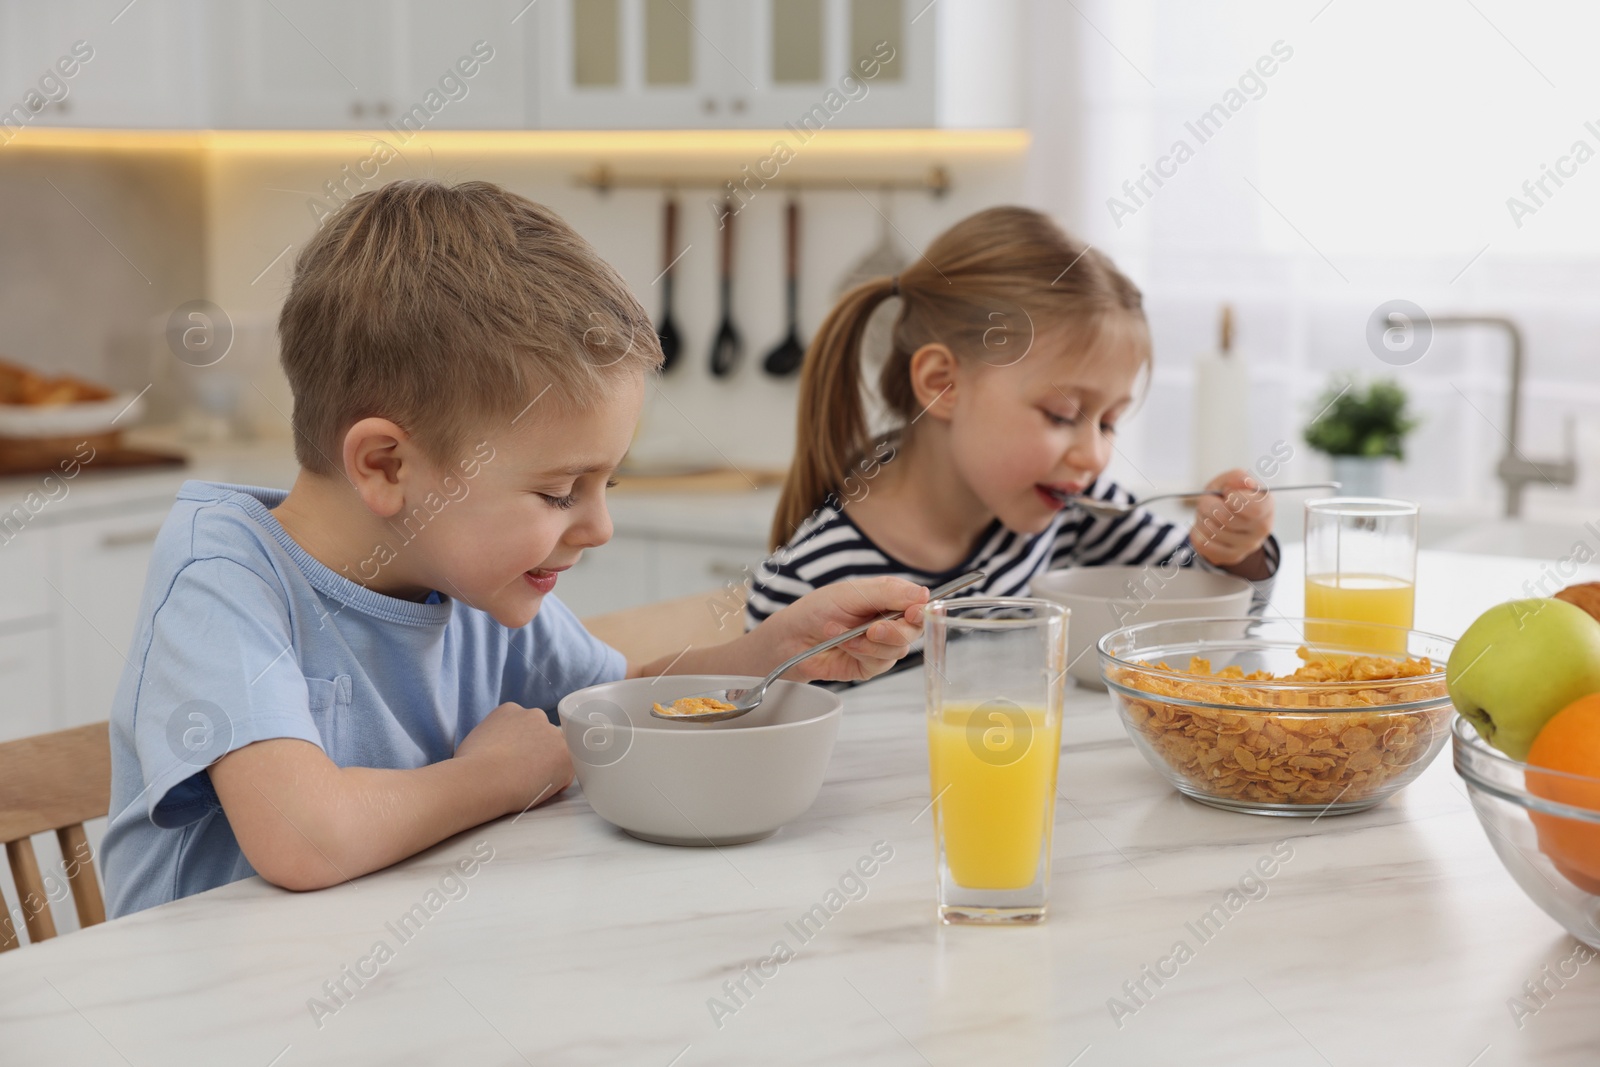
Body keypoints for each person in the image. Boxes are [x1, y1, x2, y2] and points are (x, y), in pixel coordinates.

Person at [102, 180, 929, 917]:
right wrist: (500, 776)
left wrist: (771, 650)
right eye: (558, 491)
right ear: (387, 465)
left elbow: (610, 711)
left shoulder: (472, 579)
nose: (598, 526)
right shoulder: (224, 576)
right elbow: (305, 838)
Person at [746, 206, 1279, 648]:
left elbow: (1215, 616)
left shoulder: (1073, 512)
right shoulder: (813, 578)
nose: (1093, 457)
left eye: (1110, 423)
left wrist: (1235, 549)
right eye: (1062, 415)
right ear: (943, 385)